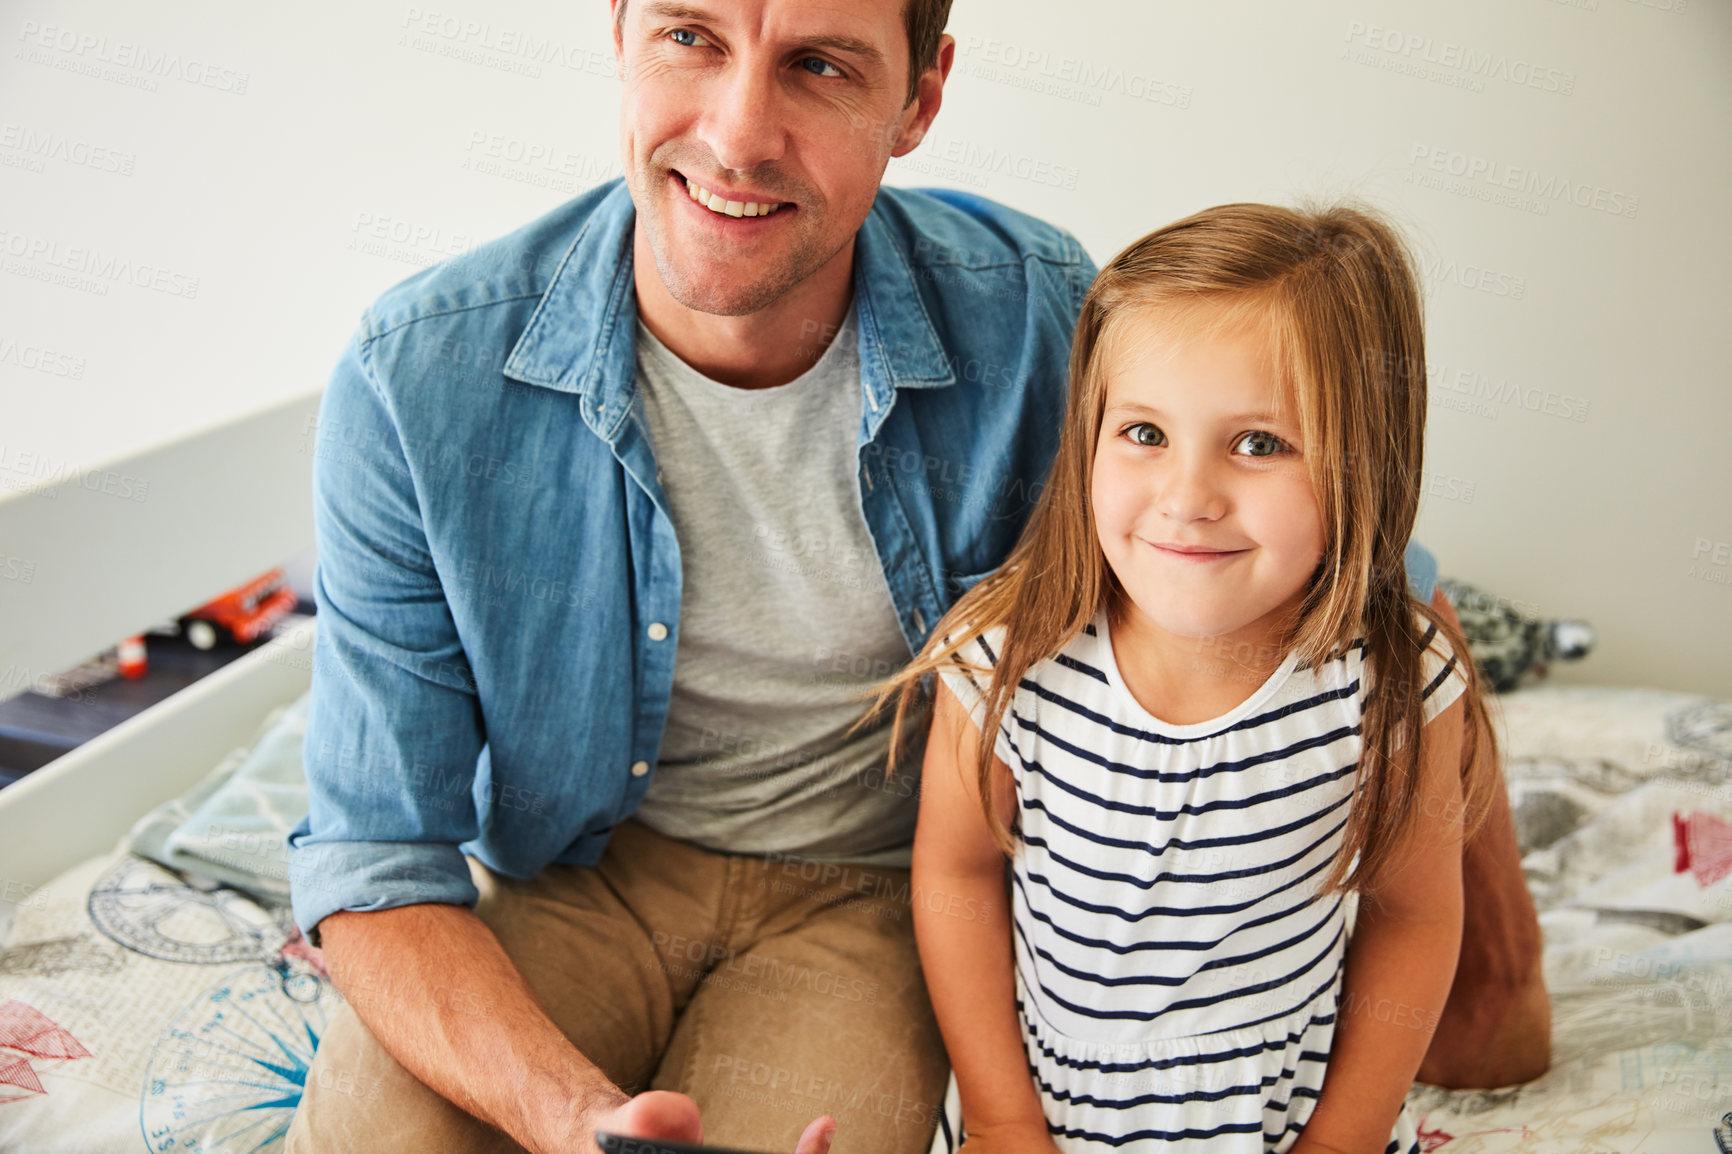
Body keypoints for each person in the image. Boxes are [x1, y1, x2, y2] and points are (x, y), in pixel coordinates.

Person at [284, 0, 1545, 1150]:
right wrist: (568, 1119)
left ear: (919, 99)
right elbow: (376, 855)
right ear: (618, 31)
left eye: (820, 66)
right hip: (570, 873)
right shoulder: (420, 378)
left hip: (866, 892)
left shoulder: (1040, 315)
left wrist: (1487, 972)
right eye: (689, 36)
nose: (737, 135)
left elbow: (1359, 576)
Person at [886, 203, 1499, 1153]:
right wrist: (1001, 1115)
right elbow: (955, 871)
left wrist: (1345, 1139)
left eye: (1259, 444)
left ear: (1365, 463)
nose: (1187, 498)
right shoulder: (1004, 660)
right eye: (1143, 434)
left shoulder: (1394, 683)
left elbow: (1414, 919)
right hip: (1048, 1129)